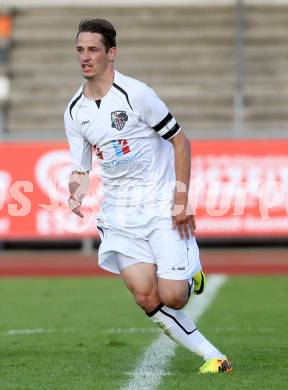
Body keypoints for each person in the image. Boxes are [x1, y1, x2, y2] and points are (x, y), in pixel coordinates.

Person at [64, 18, 232, 374]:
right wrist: (76, 190)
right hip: (119, 215)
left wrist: (181, 198)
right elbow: (81, 166)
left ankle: (191, 272)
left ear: (112, 53)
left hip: (159, 206)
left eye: (93, 49)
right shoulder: (74, 111)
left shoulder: (136, 94)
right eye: (80, 49)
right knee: (145, 296)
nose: (85, 57)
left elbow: (180, 140)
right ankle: (213, 357)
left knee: (173, 295)